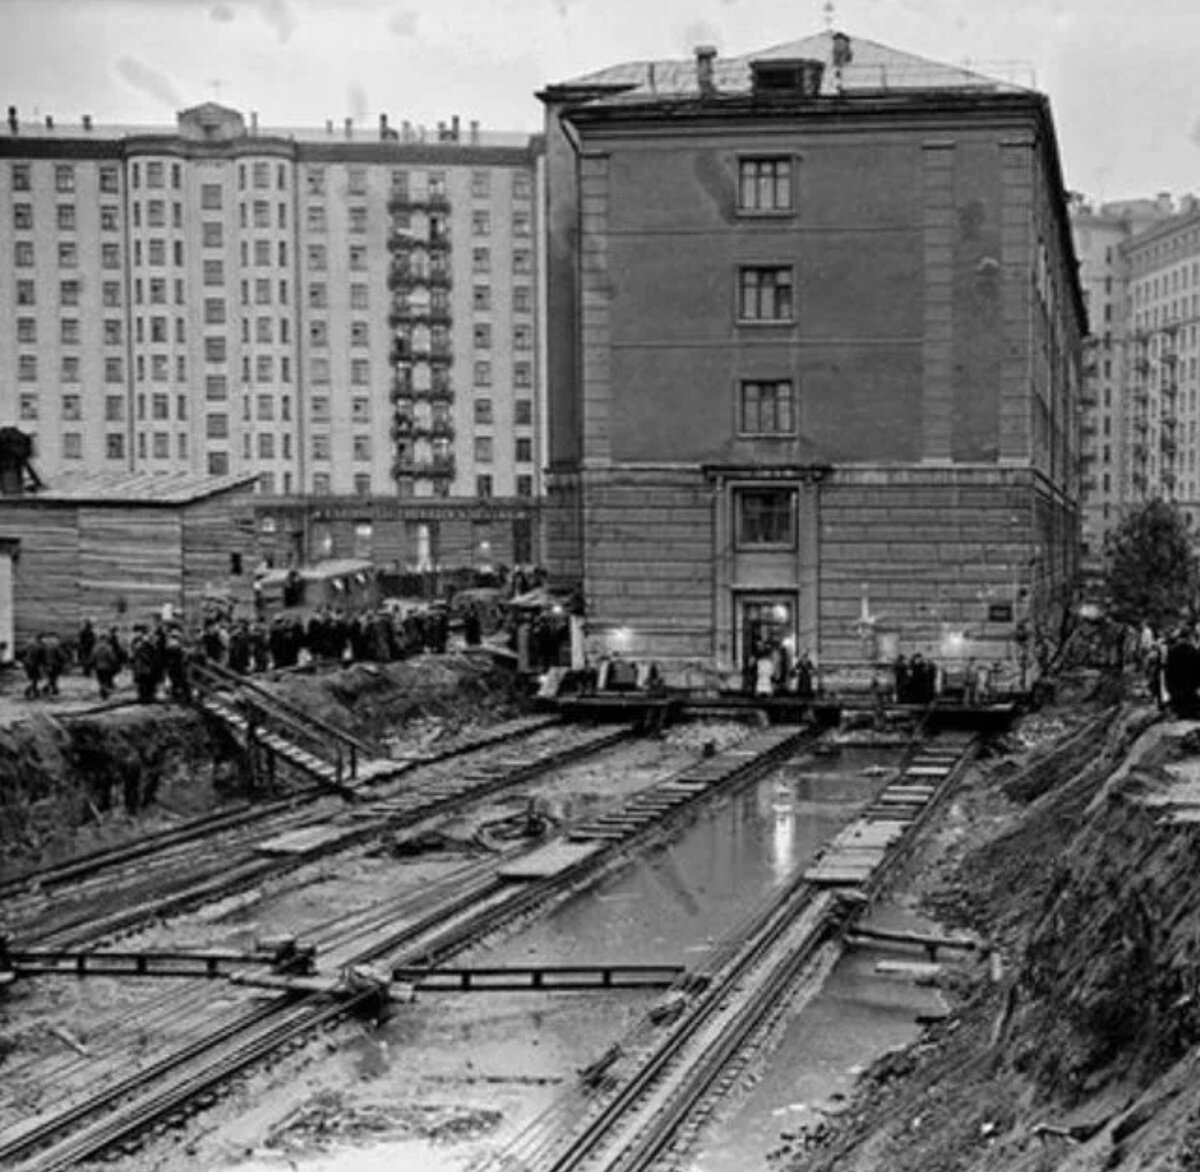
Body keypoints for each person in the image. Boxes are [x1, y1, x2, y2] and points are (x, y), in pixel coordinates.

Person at [93, 631, 121, 700]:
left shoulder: (96, 647)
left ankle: (103, 692)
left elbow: (93, 656)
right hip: (107, 667)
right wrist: (115, 663)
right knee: (106, 680)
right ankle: (104, 693)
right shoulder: (108, 647)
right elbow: (112, 657)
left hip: (98, 667)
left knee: (101, 680)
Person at [22, 633, 45, 699]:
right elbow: (41, 656)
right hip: (33, 664)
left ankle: (34, 690)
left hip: (31, 664)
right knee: (35, 678)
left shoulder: (33, 645)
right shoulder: (38, 646)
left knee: (35, 678)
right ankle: (32, 691)